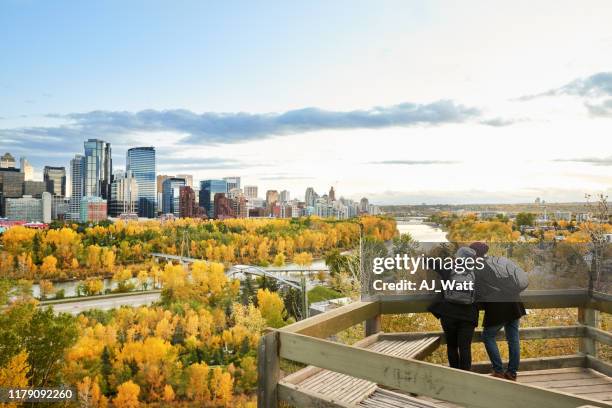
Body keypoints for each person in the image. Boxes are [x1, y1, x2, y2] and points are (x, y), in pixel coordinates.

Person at [470, 241, 528, 381]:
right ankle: (512, 373)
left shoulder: (478, 267)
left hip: (498, 307)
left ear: (473, 253)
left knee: (487, 336)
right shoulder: (495, 263)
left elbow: (478, 291)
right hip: (514, 304)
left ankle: (498, 370)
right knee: (513, 338)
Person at [428, 246, 479, 371]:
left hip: (449, 314)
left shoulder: (449, 268)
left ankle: (454, 376)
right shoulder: (477, 271)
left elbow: (431, 262)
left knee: (452, 346)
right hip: (468, 316)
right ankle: (466, 377)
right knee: (465, 348)